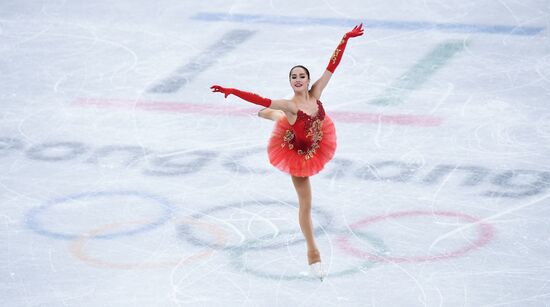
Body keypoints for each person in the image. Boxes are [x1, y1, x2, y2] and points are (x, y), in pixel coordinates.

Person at [211, 24, 364, 281]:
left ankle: (270, 117)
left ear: (307, 78)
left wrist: (345, 38)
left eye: (301, 75)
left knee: (278, 116)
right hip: (297, 151)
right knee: (306, 205)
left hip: (315, 139)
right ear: (291, 82)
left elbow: (331, 67)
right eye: (293, 77)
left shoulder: (316, 92)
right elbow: (260, 98)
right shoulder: (290, 104)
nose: (297, 79)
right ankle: (312, 252)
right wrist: (231, 91)